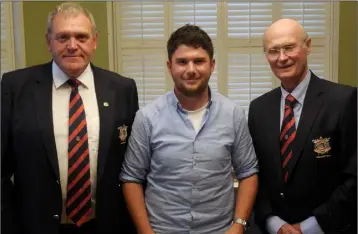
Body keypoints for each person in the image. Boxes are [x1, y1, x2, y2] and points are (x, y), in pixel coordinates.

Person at [1, 2, 138, 234]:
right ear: (48, 42)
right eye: (63, 37)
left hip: (106, 225)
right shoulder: (16, 87)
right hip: (35, 226)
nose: (72, 46)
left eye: (81, 37)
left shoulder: (122, 88)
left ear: (94, 41)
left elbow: (132, 165)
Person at [119, 24, 259, 234]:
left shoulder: (233, 114)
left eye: (199, 61)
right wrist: (145, 231)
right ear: (169, 66)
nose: (191, 69)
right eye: (182, 62)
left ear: (212, 65)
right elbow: (131, 178)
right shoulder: (147, 118)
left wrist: (239, 224)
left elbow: (248, 172)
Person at [248, 18, 357, 234]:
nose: (282, 58)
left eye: (289, 47)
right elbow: (255, 174)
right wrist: (274, 224)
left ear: (307, 46)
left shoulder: (344, 100)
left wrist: (309, 227)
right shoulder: (258, 109)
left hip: (330, 228)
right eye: (273, 51)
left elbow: (355, 176)